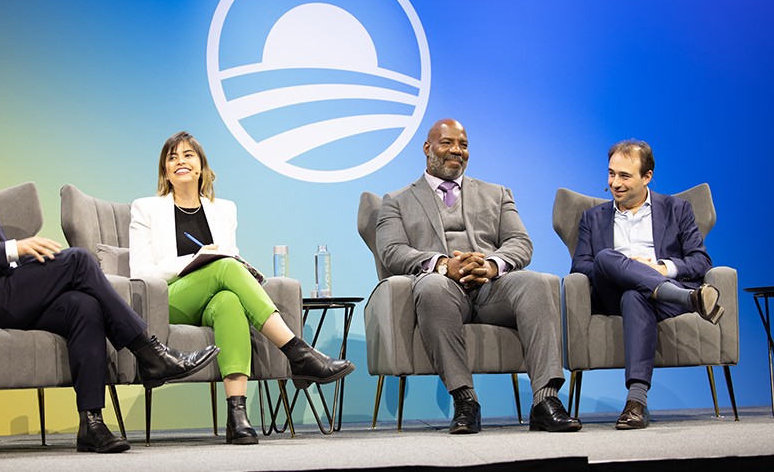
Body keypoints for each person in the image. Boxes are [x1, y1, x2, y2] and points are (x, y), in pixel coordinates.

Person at [0, 127, 220, 454]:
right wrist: (13, 248)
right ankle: (150, 352)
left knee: (84, 306)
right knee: (77, 259)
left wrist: (24, 262)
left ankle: (91, 423)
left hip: (12, 289)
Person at [129, 131, 355, 445]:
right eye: (172, 157)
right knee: (224, 266)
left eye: (188, 155)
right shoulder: (146, 209)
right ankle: (296, 351)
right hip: (170, 299)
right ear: (165, 171)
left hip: (211, 296)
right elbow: (140, 272)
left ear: (202, 167)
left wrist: (223, 261)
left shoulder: (224, 210)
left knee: (229, 300)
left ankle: (237, 417)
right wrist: (197, 258)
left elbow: (228, 261)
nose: (180, 161)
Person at [375, 119, 581, 434]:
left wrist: (492, 264)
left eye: (463, 144)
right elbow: (391, 251)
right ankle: (465, 402)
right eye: (447, 143)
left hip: (491, 287)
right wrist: (443, 264)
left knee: (536, 284)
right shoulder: (397, 200)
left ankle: (545, 400)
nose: (456, 150)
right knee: (432, 289)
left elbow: (520, 243)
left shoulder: (496, 193)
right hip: (442, 286)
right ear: (427, 148)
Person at [570, 139, 721, 430]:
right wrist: (626, 267)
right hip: (614, 294)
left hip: (656, 302)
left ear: (647, 177)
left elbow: (701, 261)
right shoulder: (593, 217)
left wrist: (661, 267)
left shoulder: (677, 209)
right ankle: (690, 300)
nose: (615, 183)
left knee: (634, 296)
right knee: (605, 259)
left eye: (624, 176)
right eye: (611, 173)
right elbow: (581, 266)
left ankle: (636, 402)